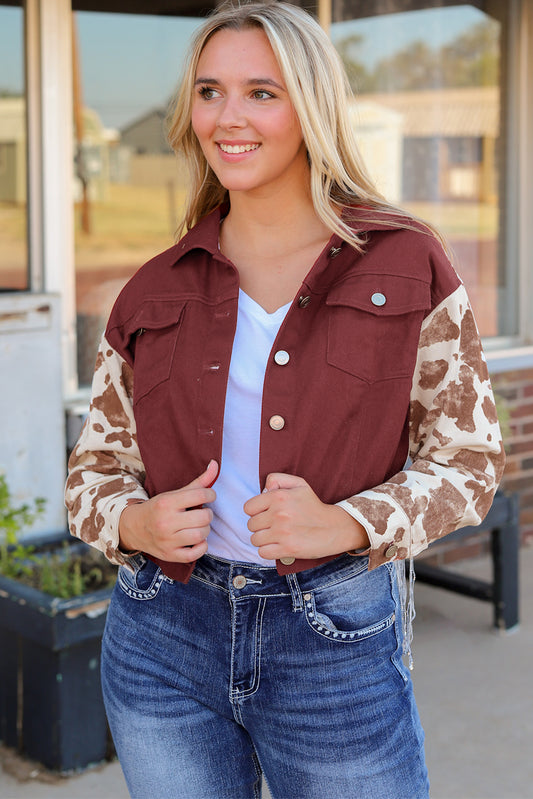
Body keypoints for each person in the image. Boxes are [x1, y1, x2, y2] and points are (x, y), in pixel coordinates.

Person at [65, 3, 505, 797]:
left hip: (331, 635)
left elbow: (469, 461)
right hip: (163, 632)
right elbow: (91, 472)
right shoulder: (152, 288)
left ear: (311, 105)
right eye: (209, 91)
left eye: (260, 91)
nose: (226, 117)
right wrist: (136, 521)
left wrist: (349, 521)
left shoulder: (407, 264)